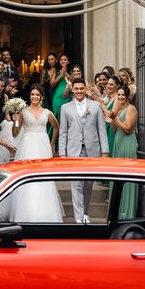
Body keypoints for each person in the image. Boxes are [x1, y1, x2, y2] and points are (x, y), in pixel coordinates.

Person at [58, 77, 109, 224]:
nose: (79, 91)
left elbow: (102, 131)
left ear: (85, 89)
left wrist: (105, 152)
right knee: (76, 184)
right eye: (76, 89)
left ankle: (85, 213)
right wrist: (62, 154)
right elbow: (63, 132)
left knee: (88, 184)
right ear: (72, 90)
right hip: (74, 151)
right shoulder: (65, 108)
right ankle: (79, 218)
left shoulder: (95, 106)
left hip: (92, 150)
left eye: (81, 88)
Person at [10, 85, 63, 222]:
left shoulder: (47, 112)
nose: (34, 97)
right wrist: (15, 119)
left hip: (43, 146)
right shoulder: (23, 112)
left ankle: (45, 212)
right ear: (29, 96)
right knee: (26, 175)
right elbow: (15, 133)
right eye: (32, 94)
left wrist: (52, 143)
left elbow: (56, 126)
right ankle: (27, 212)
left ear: (42, 97)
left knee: (43, 177)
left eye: (37, 95)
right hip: (27, 146)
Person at [106, 85, 138, 219]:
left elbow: (127, 129)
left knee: (127, 176)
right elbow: (116, 130)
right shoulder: (120, 109)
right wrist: (111, 122)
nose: (119, 97)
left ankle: (127, 212)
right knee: (117, 175)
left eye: (122, 95)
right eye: (118, 95)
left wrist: (114, 118)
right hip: (118, 142)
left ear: (128, 96)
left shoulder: (131, 109)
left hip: (127, 143)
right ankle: (117, 209)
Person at [51, 56, 73, 122]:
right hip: (58, 95)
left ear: (68, 62)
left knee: (66, 114)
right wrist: (61, 74)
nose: (63, 61)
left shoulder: (71, 70)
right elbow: (52, 83)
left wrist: (66, 73)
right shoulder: (56, 70)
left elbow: (73, 80)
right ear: (59, 61)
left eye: (65, 60)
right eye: (61, 60)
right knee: (58, 113)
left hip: (67, 94)